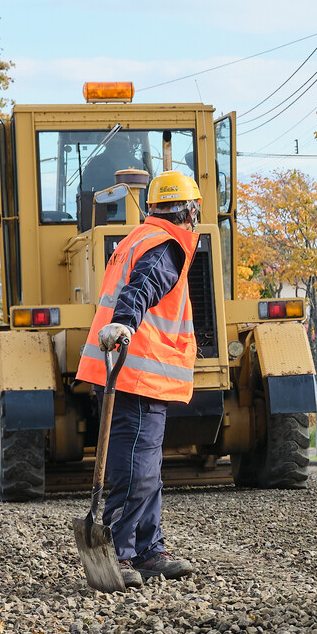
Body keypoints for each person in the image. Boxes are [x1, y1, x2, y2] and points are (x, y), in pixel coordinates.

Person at [74, 169, 205, 588]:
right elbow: (140, 288)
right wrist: (126, 323)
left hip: (132, 370)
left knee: (146, 465)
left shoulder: (137, 237)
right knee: (135, 467)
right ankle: (120, 553)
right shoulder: (165, 244)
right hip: (132, 369)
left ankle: (148, 550)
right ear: (191, 211)